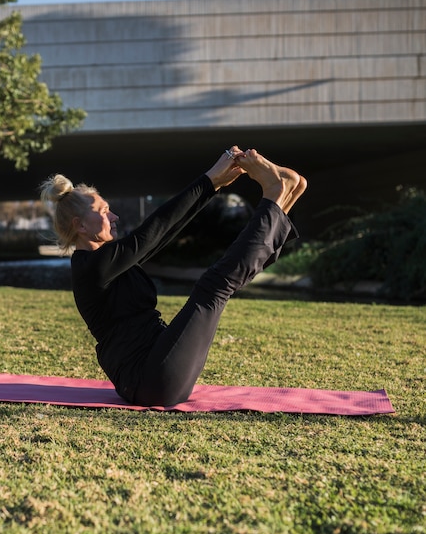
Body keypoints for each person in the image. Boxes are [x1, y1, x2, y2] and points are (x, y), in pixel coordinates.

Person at [39, 147, 307, 407]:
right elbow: (153, 230)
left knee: (213, 287)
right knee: (213, 287)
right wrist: (210, 178)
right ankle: (275, 200)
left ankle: (283, 199)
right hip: (148, 381)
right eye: (103, 211)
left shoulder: (109, 261)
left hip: (158, 365)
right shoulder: (93, 267)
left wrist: (213, 186)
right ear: (81, 225)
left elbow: (163, 234)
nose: (114, 216)